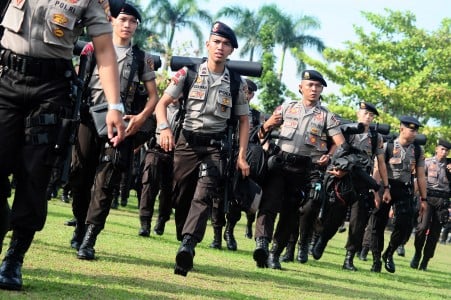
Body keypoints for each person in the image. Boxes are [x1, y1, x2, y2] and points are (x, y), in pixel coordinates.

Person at [0, 0, 126, 291]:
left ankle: (14, 259)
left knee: (35, 175)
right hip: (5, 78)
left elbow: (105, 50)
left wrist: (114, 105)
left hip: (51, 90)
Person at [155, 21, 250, 276]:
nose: (220, 47)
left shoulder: (236, 83)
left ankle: (188, 245)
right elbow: (161, 104)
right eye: (216, 42)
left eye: (226, 44)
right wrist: (164, 129)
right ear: (207, 45)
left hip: (215, 147)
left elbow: (243, 120)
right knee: (182, 195)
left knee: (204, 195)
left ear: (231, 50)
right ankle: (184, 233)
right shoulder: (188, 74)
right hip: (186, 143)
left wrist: (241, 155)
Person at [69, 2, 159, 260]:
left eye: (133, 21)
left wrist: (140, 120)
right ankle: (79, 223)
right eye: (123, 19)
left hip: (120, 124)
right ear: (111, 21)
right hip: (89, 118)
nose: (127, 25)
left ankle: (90, 238)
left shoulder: (142, 58)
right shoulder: (91, 48)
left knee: (106, 182)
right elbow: (78, 81)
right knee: (80, 175)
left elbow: (154, 96)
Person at [254, 70, 345, 269]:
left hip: (305, 169)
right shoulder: (287, 107)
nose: (314, 89)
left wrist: (329, 156)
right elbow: (262, 133)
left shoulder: (326, 116)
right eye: (310, 85)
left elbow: (340, 143)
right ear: (300, 87)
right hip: (280, 163)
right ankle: (261, 243)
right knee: (268, 204)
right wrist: (269, 124)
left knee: (290, 212)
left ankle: (274, 254)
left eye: (318, 86)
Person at [309, 102, 391, 272]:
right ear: (358, 114)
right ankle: (322, 240)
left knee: (358, 222)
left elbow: (381, 163)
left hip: (362, 182)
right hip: (342, 180)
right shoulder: (346, 130)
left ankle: (349, 258)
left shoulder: (376, 138)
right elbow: (336, 152)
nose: (368, 117)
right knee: (334, 217)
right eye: (365, 113)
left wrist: (385, 187)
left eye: (371, 115)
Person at [368, 116, 427, 273]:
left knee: (405, 225)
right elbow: (377, 170)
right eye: (411, 129)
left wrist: (424, 199)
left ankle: (389, 253)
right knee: (378, 225)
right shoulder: (387, 146)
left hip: (404, 188)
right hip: (384, 186)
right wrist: (375, 192)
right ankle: (376, 260)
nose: (414, 133)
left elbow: (421, 176)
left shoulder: (418, 151)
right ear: (402, 128)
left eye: (416, 130)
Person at [209, 78, 260, 250]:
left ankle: (229, 231)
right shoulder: (227, 107)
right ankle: (216, 235)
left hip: (242, 158)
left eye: (250, 92)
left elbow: (257, 138)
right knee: (217, 195)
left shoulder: (255, 115)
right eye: (244, 91)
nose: (247, 94)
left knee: (238, 198)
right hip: (223, 154)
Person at [138, 97, 180, 237]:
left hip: (177, 154)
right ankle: (145, 223)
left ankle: (162, 219)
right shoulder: (158, 108)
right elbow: (146, 126)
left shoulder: (186, 111)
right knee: (149, 184)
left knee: (170, 190)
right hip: (156, 149)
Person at [411, 139, 451, 270]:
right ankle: (417, 253)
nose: (444, 153)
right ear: (436, 149)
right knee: (422, 228)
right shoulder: (427, 162)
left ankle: (425, 260)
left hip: (443, 201)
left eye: (447, 151)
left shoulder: (450, 165)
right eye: (442, 149)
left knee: (435, 233)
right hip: (427, 197)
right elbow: (419, 179)